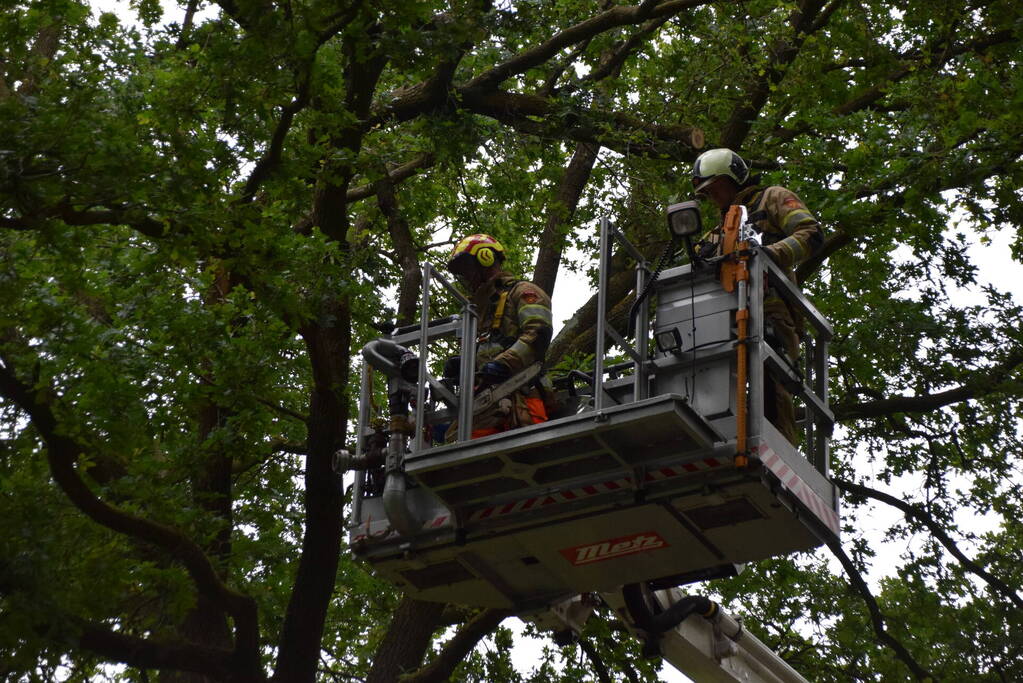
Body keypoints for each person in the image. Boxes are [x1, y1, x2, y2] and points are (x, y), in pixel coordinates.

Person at [690, 148, 824, 445]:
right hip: (723, 320)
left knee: (772, 387)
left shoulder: (772, 198)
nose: (710, 197)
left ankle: (779, 451)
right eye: (705, 192)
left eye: (713, 189)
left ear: (733, 178)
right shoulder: (716, 234)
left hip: (772, 310)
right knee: (715, 385)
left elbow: (810, 233)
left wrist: (769, 255)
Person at [445, 233, 554, 439]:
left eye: (467, 269)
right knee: (473, 461)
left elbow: (538, 334)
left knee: (530, 451)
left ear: (485, 258)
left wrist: (504, 364)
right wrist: (465, 365)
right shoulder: (476, 311)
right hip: (483, 407)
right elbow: (486, 351)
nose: (465, 277)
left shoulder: (522, 291)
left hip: (522, 397)